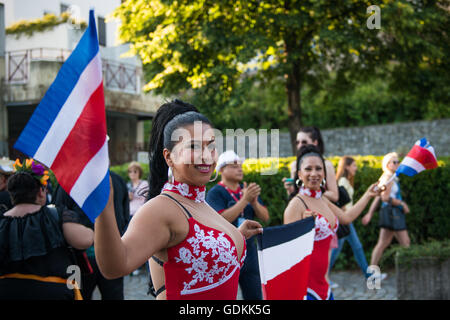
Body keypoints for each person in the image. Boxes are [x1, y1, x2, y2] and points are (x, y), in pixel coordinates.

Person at [94, 99, 263, 300]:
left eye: (211, 146)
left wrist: (234, 235)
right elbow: (115, 266)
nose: (206, 156)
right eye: (194, 146)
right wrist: (102, 203)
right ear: (169, 157)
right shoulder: (161, 208)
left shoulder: (201, 203)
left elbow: (200, 250)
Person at [284, 145, 379, 300]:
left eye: (318, 169)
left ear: (324, 173)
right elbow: (288, 252)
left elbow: (347, 218)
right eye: (308, 169)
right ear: (299, 174)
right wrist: (304, 227)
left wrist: (368, 195)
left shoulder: (322, 199)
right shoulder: (296, 204)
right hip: (304, 290)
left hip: (324, 286)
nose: (314, 173)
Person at [0, 158, 93, 300]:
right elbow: (84, 241)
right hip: (51, 293)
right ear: (41, 192)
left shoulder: (2, 221)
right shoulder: (55, 215)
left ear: (12, 194)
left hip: (8, 292)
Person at [54, 170, 130, 300]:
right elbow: (125, 217)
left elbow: (58, 215)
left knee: (79, 296)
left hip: (86, 255)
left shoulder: (68, 180)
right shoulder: (117, 179)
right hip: (89, 256)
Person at [206, 150, 269, 300]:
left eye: (240, 165)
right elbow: (220, 218)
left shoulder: (245, 190)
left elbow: (265, 217)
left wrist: (254, 202)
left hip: (249, 251)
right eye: (234, 165)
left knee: (254, 296)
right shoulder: (215, 192)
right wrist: (245, 200)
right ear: (221, 169)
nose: (239, 168)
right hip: (226, 252)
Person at [362, 152, 411, 269]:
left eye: (398, 161)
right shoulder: (388, 178)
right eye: (394, 162)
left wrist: (370, 213)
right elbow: (384, 197)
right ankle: (409, 270)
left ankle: (372, 272)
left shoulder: (387, 177)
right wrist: (401, 203)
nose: (397, 164)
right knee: (404, 243)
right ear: (387, 164)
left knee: (384, 243)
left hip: (390, 212)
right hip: (392, 213)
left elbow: (378, 197)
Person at [328, 156, 371, 284]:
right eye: (354, 165)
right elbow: (341, 203)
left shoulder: (346, 181)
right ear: (346, 167)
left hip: (346, 219)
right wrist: (348, 216)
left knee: (338, 249)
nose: (356, 168)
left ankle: (368, 275)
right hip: (344, 218)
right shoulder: (342, 181)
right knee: (354, 247)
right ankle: (369, 275)